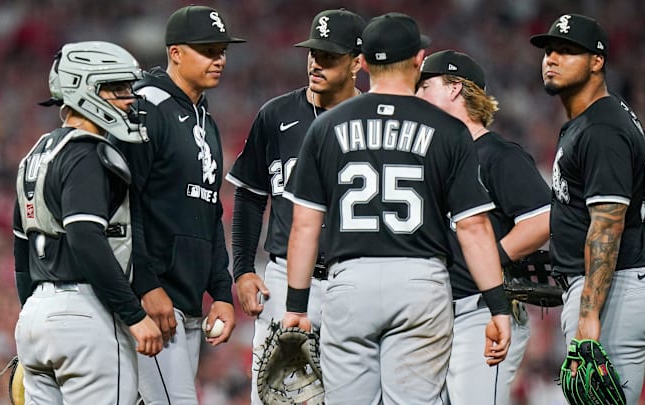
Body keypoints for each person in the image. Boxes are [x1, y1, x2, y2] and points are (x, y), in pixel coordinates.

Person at [282, 12, 512, 404]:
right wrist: (497, 306)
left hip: (349, 283)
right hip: (420, 283)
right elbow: (473, 227)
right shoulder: (449, 130)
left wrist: (296, 306)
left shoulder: (326, 126)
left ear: (365, 62)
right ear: (420, 60)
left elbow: (304, 225)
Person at [225, 8, 365, 404]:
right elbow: (251, 197)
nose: (316, 63)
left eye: (329, 56)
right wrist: (242, 270)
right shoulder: (276, 115)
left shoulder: (374, 118)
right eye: (312, 53)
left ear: (357, 63)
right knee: (272, 396)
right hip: (285, 278)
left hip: (353, 277)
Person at [13, 41, 163, 404]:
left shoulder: (36, 154)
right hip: (85, 313)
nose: (130, 98)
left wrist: (36, 320)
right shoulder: (87, 153)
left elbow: (21, 252)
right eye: (118, 88)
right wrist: (132, 314)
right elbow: (85, 237)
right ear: (85, 89)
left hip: (35, 315)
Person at [530, 13, 645, 404]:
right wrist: (638, 243)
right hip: (621, 282)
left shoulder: (601, 128)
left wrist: (590, 318)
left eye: (568, 50)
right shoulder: (604, 117)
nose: (552, 58)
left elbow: (607, 225)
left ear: (597, 61)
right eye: (549, 49)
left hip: (611, 296)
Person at [110, 5, 245, 404]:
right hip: (151, 304)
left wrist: (221, 290)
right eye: (207, 50)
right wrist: (146, 284)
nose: (218, 59)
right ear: (175, 52)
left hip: (187, 306)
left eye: (221, 50)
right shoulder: (146, 108)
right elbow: (125, 201)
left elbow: (209, 211)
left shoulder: (205, 119)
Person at [416, 50, 551, 404]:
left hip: (481, 313)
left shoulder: (498, 154)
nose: (417, 95)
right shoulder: (439, 158)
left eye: (425, 86)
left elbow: (542, 219)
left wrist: (491, 260)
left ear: (456, 89)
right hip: (436, 316)